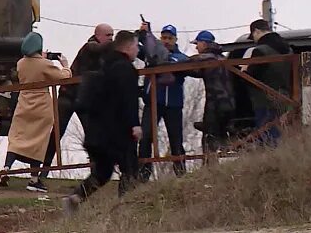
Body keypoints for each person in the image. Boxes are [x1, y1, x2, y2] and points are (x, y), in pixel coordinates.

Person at [61, 30, 142, 215]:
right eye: (136, 46)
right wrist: (135, 124)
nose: (137, 50)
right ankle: (125, 209)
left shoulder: (103, 67)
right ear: (128, 47)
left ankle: (76, 198)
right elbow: (128, 99)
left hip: (96, 133)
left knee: (103, 172)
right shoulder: (126, 69)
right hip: (119, 132)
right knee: (130, 169)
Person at [0, 32, 72, 193]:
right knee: (38, 141)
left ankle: (6, 168)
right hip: (41, 105)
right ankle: (34, 179)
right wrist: (65, 65)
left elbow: (30, 67)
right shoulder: (45, 64)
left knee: (17, 137)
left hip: (23, 103)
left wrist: (41, 58)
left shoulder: (20, 63)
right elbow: (62, 77)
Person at [48, 23, 113, 175]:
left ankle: (95, 172)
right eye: (108, 35)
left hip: (83, 98)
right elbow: (96, 49)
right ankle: (41, 171)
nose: (111, 39)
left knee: (92, 134)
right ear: (98, 35)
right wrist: (121, 44)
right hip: (68, 95)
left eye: (112, 36)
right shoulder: (89, 46)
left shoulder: (106, 54)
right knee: (57, 134)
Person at [138, 23, 189, 181]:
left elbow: (178, 63)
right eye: (163, 37)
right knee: (145, 137)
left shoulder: (181, 58)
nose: (166, 41)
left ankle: (181, 175)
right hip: (153, 102)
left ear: (175, 39)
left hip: (173, 104)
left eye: (170, 38)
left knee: (176, 140)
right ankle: (143, 176)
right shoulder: (151, 53)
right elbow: (138, 48)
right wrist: (143, 34)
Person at [184, 31, 235, 163]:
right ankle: (225, 166)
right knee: (224, 138)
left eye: (198, 44)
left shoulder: (206, 58)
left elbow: (185, 65)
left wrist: (170, 63)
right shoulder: (223, 58)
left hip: (215, 104)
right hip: (230, 104)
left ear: (204, 43)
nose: (196, 47)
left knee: (209, 137)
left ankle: (210, 168)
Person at [245, 19, 292, 147]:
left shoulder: (260, 51)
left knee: (267, 137)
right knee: (282, 133)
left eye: (253, 35)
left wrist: (244, 70)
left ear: (257, 31)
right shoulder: (288, 49)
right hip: (284, 97)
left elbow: (252, 76)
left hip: (264, 100)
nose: (254, 39)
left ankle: (271, 163)